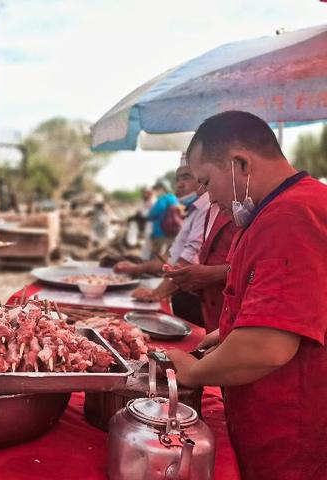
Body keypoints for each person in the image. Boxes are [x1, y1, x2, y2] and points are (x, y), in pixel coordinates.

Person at [166, 111, 327, 479]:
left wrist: (194, 371)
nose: (206, 195)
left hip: (292, 435)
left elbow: (267, 346)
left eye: (206, 181)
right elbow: (301, 308)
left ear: (239, 163)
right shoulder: (291, 206)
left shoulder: (290, 215)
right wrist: (224, 334)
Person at [114, 163, 208, 325]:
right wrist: (136, 268)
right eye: (177, 179)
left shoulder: (206, 208)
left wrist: (158, 293)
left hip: (203, 301)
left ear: (203, 178)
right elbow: (172, 256)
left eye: (186, 177)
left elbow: (188, 258)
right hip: (189, 295)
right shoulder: (193, 211)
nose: (179, 184)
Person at [165, 204, 239, 331]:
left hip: (236, 319)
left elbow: (256, 268)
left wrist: (212, 274)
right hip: (212, 316)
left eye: (206, 183)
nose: (206, 193)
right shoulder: (212, 208)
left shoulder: (249, 207)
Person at [146, 179, 179, 257]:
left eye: (157, 189)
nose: (156, 191)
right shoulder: (174, 198)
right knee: (168, 257)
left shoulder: (162, 199)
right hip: (173, 232)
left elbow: (153, 214)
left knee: (156, 256)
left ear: (163, 188)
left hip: (161, 232)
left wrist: (149, 215)